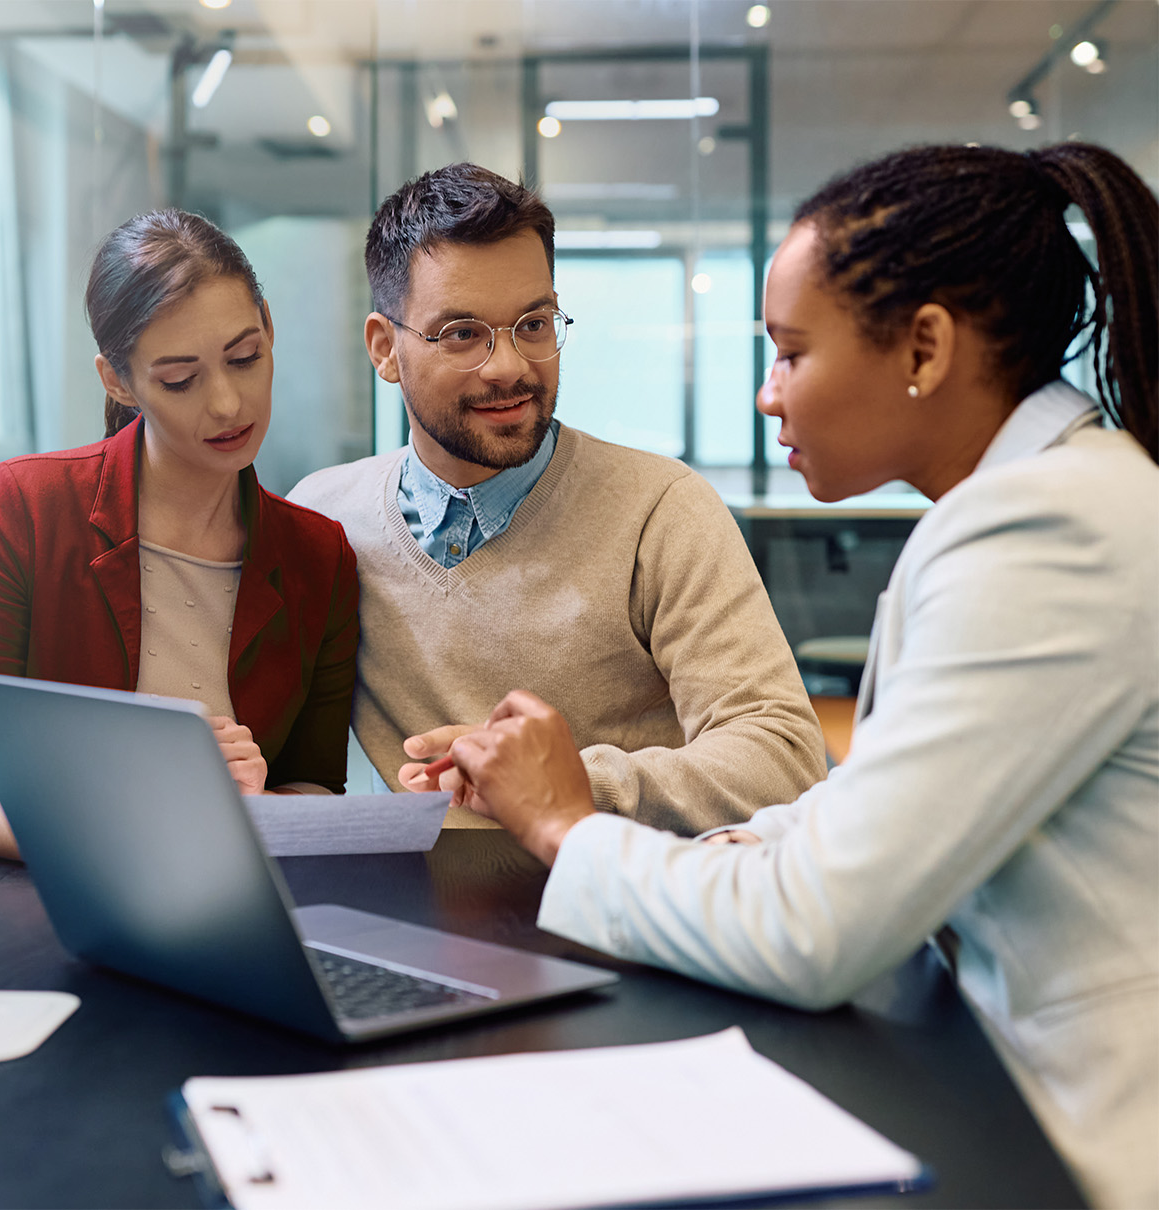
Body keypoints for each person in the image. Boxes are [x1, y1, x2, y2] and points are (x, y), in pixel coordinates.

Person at [445, 143, 1159, 1208]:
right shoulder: (1035, 503)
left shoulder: (1050, 528)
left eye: (790, 354)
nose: (769, 395)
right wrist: (733, 849)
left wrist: (565, 827)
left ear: (924, 346)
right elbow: (877, 814)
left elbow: (815, 929)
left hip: (1077, 1142)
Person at [286, 164, 824, 833]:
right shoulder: (323, 517)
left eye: (534, 324)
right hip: (404, 915)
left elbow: (784, 758)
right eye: (462, 334)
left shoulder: (662, 510)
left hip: (606, 913)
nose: (509, 366)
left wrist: (564, 781)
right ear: (384, 349)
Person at [0, 210, 360, 860]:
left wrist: (254, 807)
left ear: (269, 329)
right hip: (43, 902)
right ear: (118, 380)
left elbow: (314, 784)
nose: (228, 403)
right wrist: (109, 824)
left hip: (229, 899)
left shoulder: (321, 557)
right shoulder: (26, 507)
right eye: (180, 379)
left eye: (245, 357)